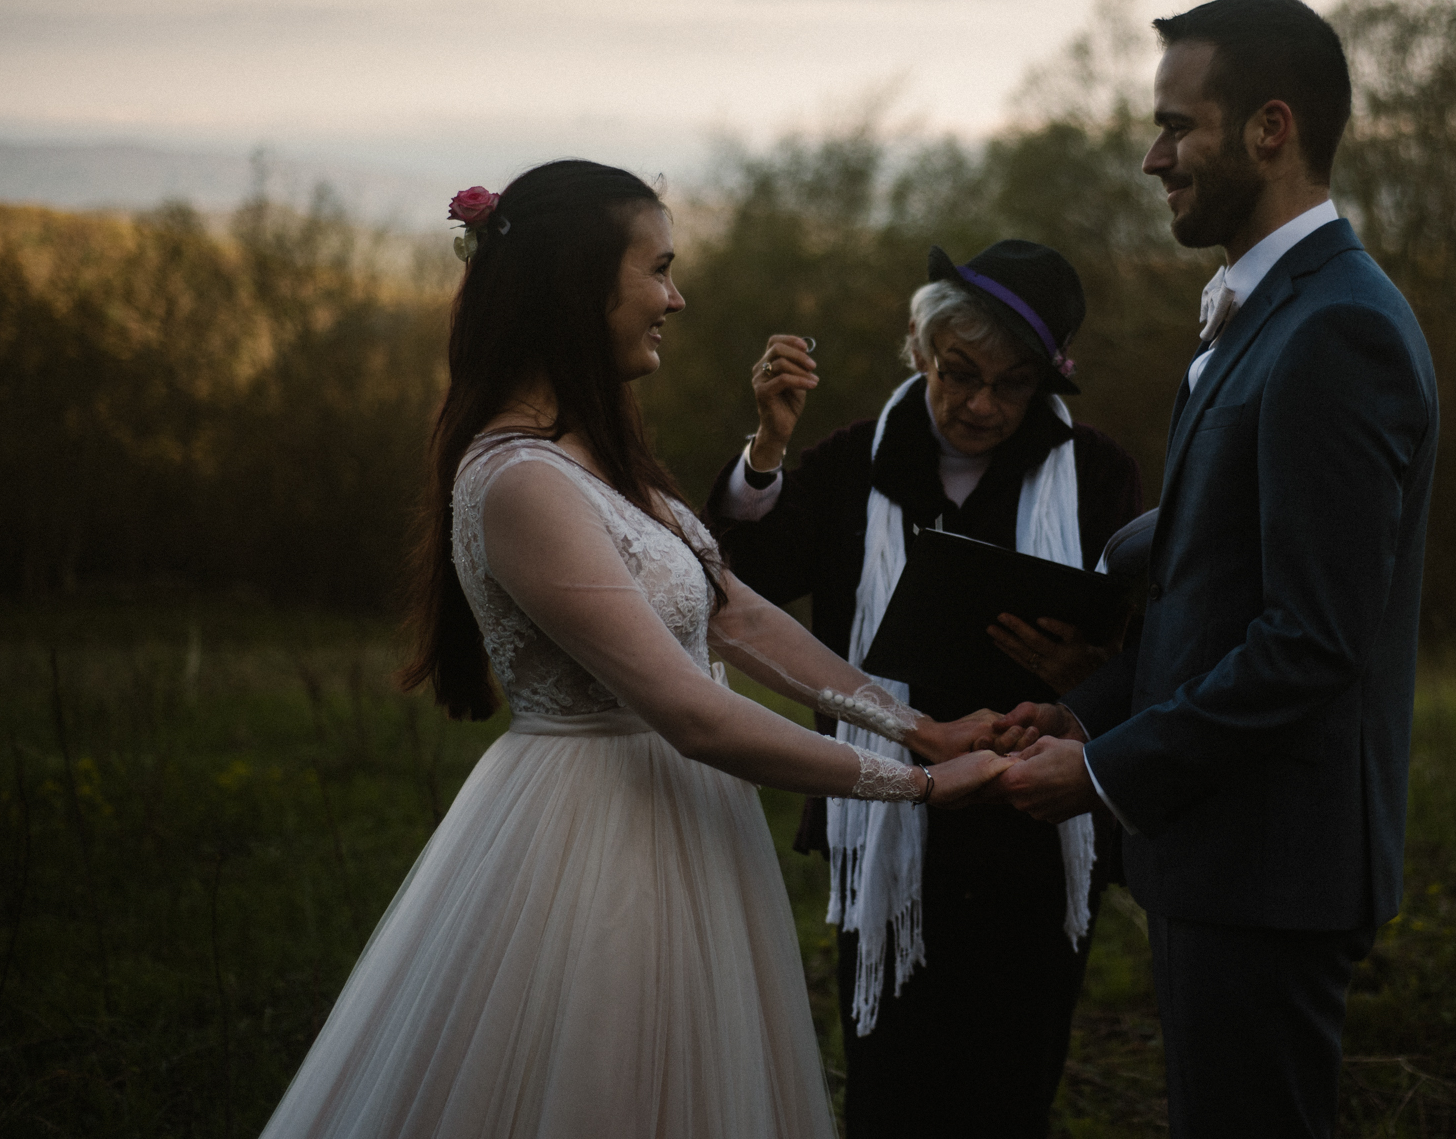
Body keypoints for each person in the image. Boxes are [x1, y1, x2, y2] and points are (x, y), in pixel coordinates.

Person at [259, 160, 1008, 1139]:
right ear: (582, 286)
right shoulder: (520, 480)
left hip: (686, 826)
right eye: (656, 270)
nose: (676, 297)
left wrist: (921, 728)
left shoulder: (597, 458)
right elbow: (690, 709)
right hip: (588, 845)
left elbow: (732, 616)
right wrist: (909, 785)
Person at [989, 0, 1441, 1138]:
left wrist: (1103, 776)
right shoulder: (1260, 314)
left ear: (1269, 128)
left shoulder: (1337, 329)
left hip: (1272, 874)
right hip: (1219, 859)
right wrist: (1089, 713)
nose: (1153, 158)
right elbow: (1215, 583)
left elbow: (1311, 640)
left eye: (1177, 127)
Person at [704, 240, 1143, 1139]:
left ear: (1047, 382)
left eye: (1012, 383)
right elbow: (741, 580)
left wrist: (1090, 681)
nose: (982, 403)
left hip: (1036, 813)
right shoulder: (851, 461)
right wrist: (766, 450)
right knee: (892, 1080)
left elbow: (1139, 641)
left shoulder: (1094, 472)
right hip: (890, 814)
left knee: (1013, 1080)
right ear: (919, 347)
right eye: (960, 372)